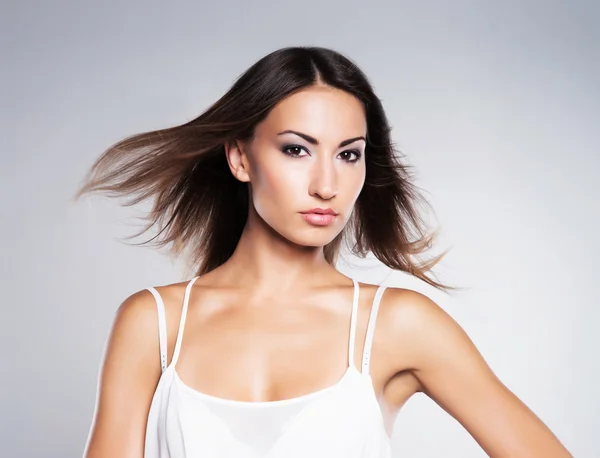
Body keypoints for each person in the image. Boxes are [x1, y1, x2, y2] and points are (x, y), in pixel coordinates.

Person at [77, 46, 571, 457]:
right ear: (240, 157)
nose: (327, 184)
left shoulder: (397, 324)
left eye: (348, 154)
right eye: (297, 149)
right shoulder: (155, 323)